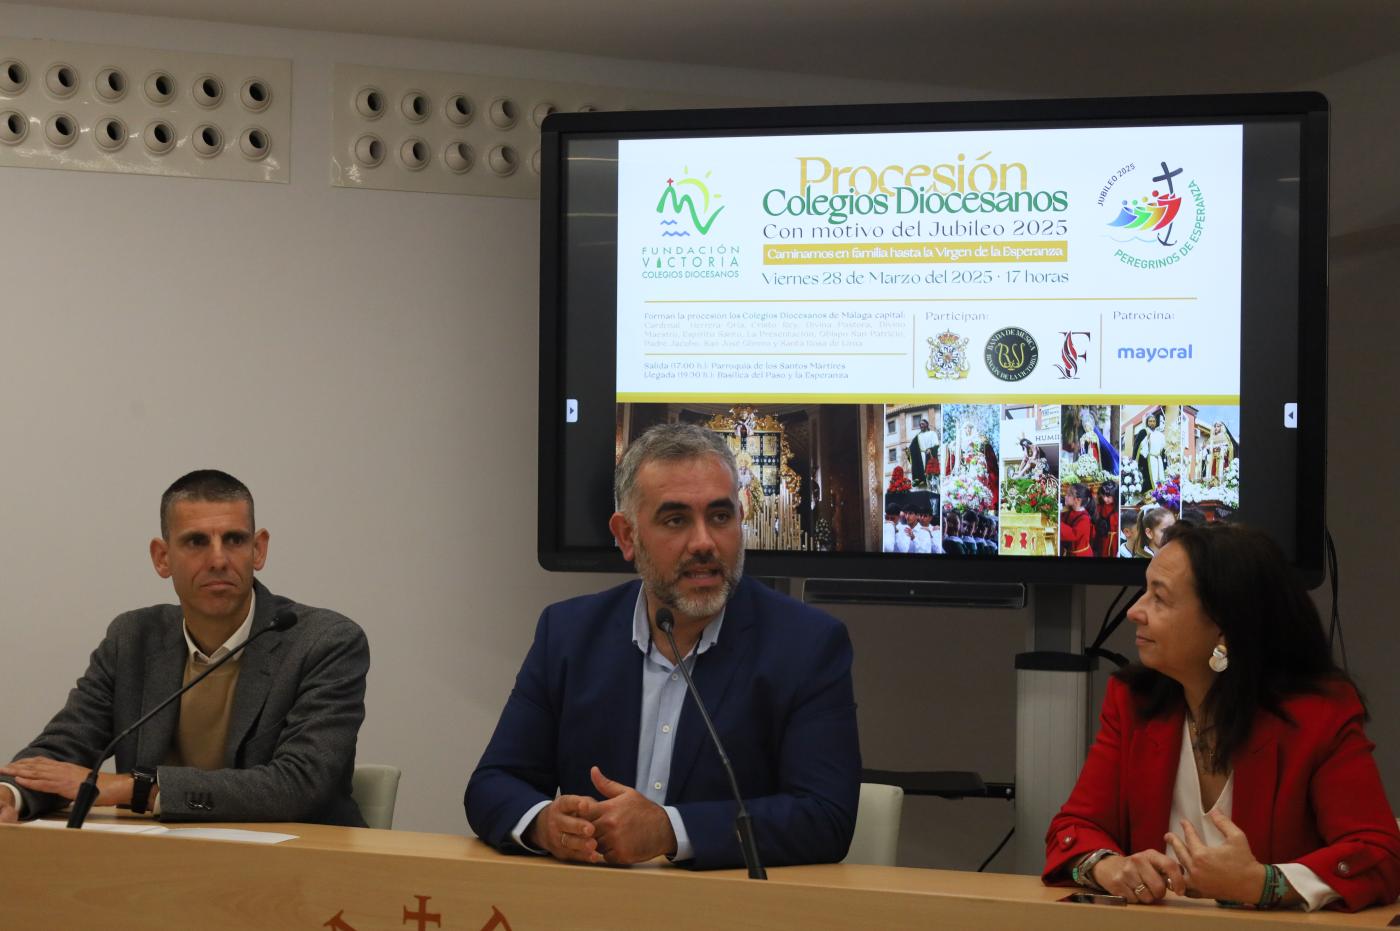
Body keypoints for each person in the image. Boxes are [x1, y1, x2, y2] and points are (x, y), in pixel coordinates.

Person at [465, 423, 860, 870]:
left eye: (720, 516)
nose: (704, 543)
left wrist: (670, 830)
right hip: (591, 898)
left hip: (724, 903)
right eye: (676, 520)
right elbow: (493, 784)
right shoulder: (569, 633)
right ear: (626, 536)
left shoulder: (807, 645)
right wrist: (545, 824)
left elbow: (825, 817)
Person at [1044, 522, 1400, 911]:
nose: (1135, 611)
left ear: (1223, 627)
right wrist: (1110, 867)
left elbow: (1379, 855)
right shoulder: (1133, 703)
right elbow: (1073, 830)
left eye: (1159, 598)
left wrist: (1264, 884)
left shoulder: (1318, 715)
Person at [0, 470, 369, 826]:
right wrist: (8, 794)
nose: (219, 560)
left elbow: (300, 784)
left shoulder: (325, 642)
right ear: (162, 558)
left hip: (298, 859)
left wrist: (135, 788)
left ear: (258, 550)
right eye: (196, 542)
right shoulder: (132, 639)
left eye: (234, 540)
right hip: (161, 858)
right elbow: (64, 748)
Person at [1060, 483, 1094, 557]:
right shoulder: (1070, 510)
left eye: (1069, 495)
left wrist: (1059, 523)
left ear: (1077, 500)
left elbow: (1073, 534)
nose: (1065, 497)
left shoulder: (1084, 519)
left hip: (1080, 554)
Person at [908, 416, 940, 490]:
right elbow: (912, 447)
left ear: (926, 425)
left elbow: (936, 445)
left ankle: (932, 487)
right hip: (920, 457)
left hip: (929, 455)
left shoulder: (932, 433)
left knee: (930, 474)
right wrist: (908, 451)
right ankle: (921, 484)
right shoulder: (918, 436)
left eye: (923, 424)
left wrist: (931, 449)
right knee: (921, 474)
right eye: (920, 424)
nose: (921, 425)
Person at [1092, 480, 1120, 559]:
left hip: (1114, 540)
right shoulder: (1100, 507)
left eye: (1108, 496)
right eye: (1103, 495)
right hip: (1102, 539)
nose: (1105, 499)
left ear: (1115, 496)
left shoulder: (1117, 509)